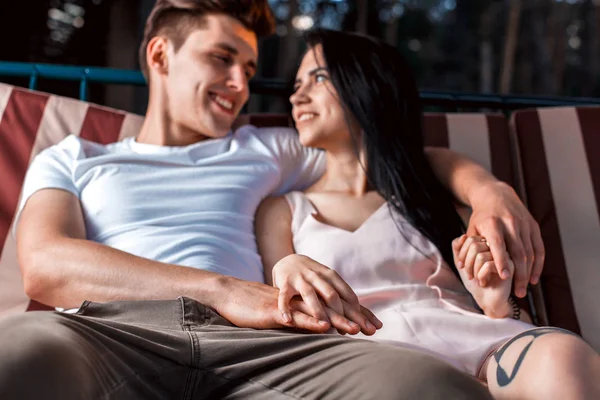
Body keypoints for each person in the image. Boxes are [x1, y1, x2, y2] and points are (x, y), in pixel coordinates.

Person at [0, 1, 541, 399]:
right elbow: (46, 265)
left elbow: (398, 152)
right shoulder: (74, 156)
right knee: (14, 355)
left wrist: (491, 193)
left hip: (262, 349)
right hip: (110, 331)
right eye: (222, 58)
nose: (240, 84)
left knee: (431, 387)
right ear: (160, 54)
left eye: (250, 70)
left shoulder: (266, 148)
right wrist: (228, 291)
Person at [255, 28, 600, 400]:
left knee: (563, 358)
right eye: (296, 83)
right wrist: (285, 268)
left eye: (318, 77)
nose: (297, 95)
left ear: (367, 84)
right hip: (370, 359)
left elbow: (511, 318)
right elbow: (284, 320)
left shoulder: (431, 189)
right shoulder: (283, 209)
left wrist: (497, 302)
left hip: (477, 341)